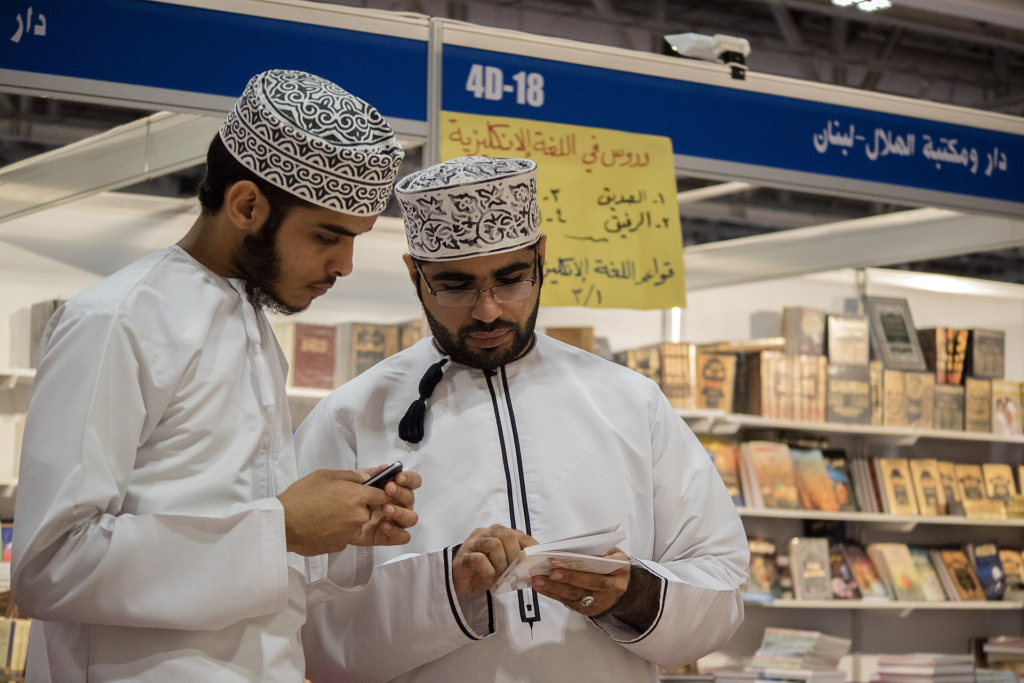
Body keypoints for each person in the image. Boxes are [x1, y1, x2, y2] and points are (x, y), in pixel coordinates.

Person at [11, 69, 421, 683]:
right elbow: (50, 565)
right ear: (247, 205)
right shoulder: (117, 320)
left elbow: (241, 555)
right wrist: (280, 526)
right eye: (329, 236)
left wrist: (334, 525)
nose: (345, 265)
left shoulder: (249, 323)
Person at [295, 156, 749, 683]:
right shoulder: (352, 416)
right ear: (414, 274)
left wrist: (631, 593)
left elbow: (721, 587)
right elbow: (307, 633)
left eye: (511, 280)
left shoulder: (631, 402)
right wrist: (447, 587)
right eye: (457, 286)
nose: (488, 311)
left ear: (541, 256)